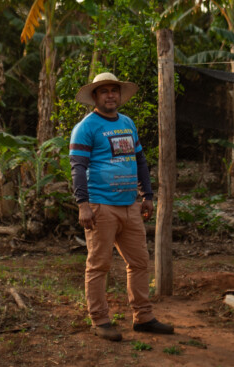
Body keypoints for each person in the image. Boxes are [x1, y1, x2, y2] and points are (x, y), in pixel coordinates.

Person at [69, 72, 174, 341]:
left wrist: (147, 195)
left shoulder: (127, 123)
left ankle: (143, 316)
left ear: (119, 94)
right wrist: (83, 205)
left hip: (130, 206)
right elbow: (78, 168)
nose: (110, 95)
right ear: (95, 96)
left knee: (139, 263)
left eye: (114, 90)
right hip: (100, 206)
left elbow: (139, 161)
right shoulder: (86, 127)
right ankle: (100, 320)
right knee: (99, 265)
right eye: (104, 91)